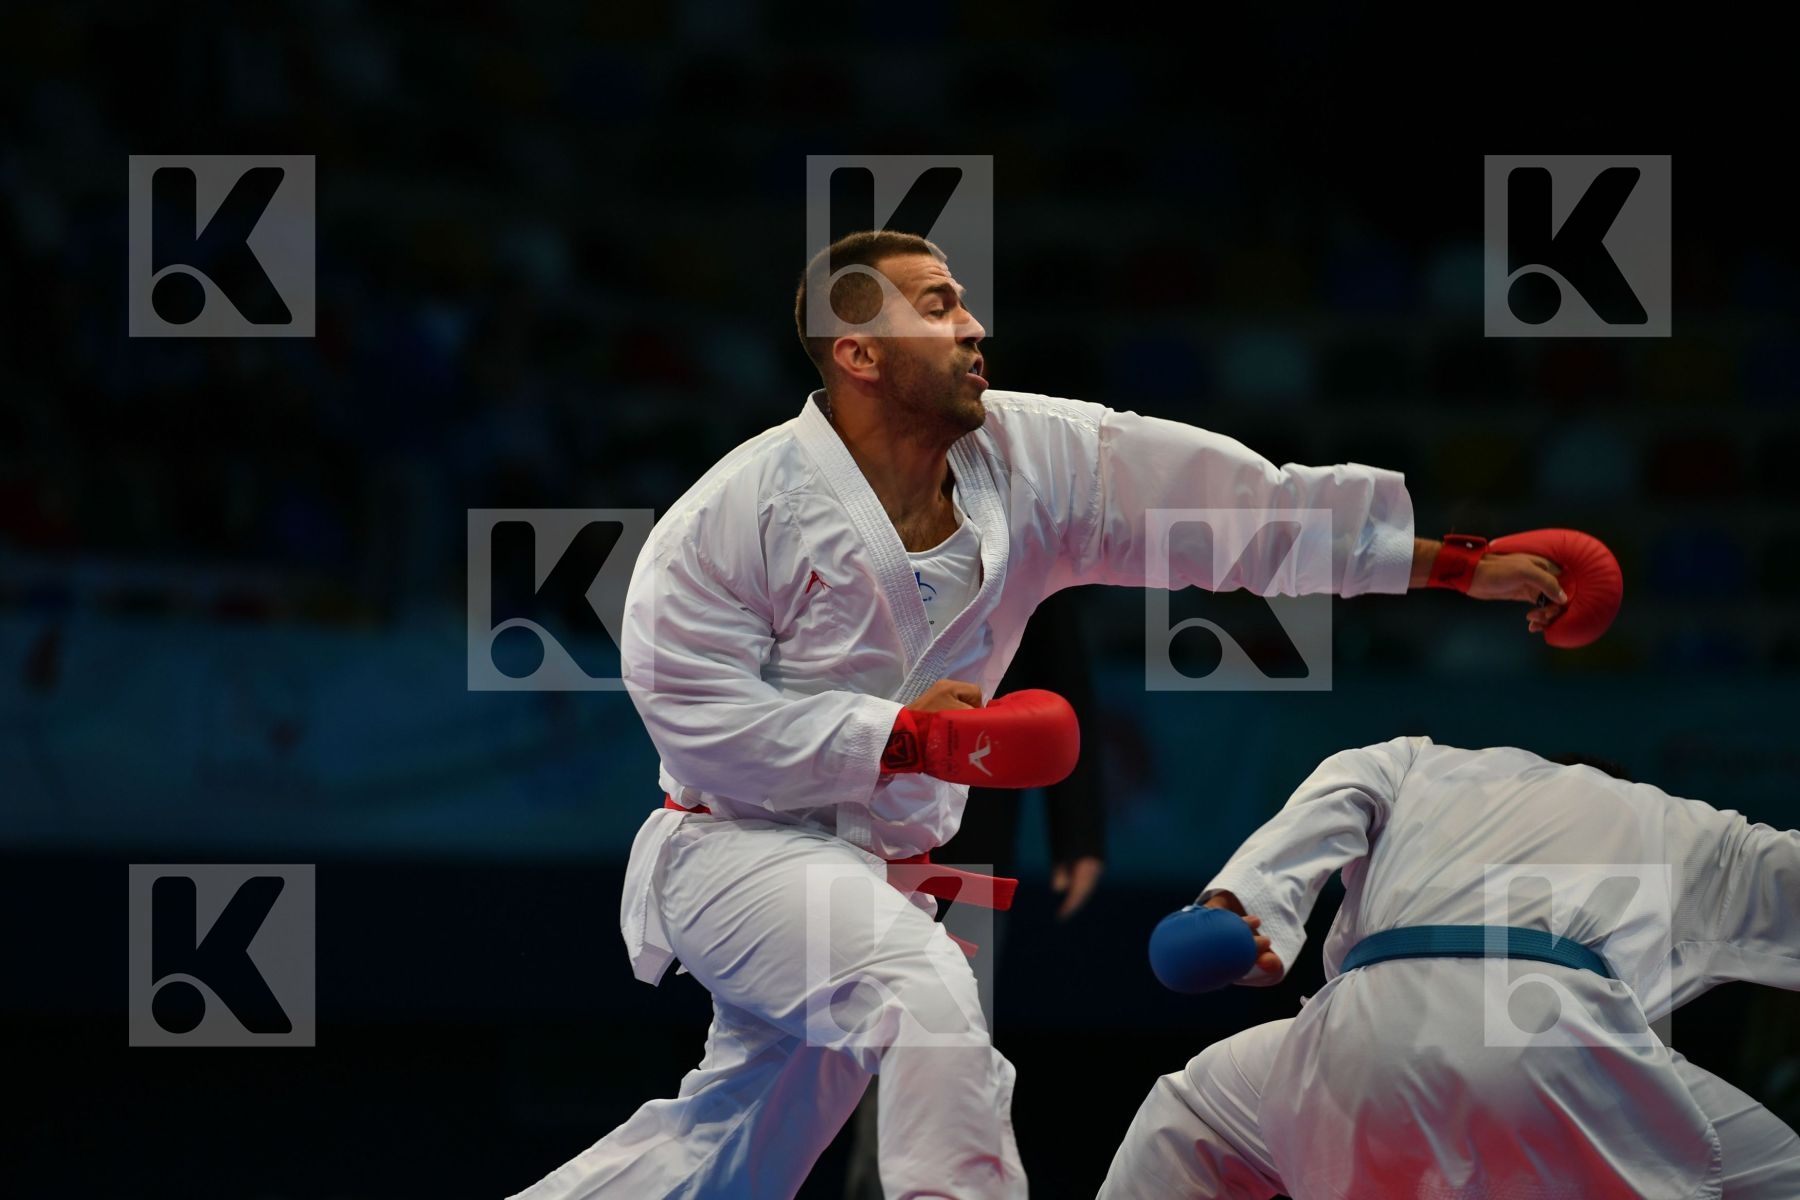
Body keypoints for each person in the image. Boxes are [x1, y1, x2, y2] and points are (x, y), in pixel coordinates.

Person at [508, 230, 1572, 1200]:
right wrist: (903, 737)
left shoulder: (1033, 462)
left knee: (728, 1151)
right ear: (859, 354)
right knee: (923, 990)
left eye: (963, 302)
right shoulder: (736, 511)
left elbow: (1238, 512)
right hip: (736, 848)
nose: (974, 326)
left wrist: (1448, 565)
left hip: (876, 864)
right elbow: (696, 715)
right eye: (937, 307)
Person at [1099, 738, 1800, 1199]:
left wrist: (1233, 902)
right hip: (1553, 1042)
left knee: (1191, 1107)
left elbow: (1328, 801)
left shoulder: (1413, 762)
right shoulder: (1673, 821)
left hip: (1358, 1037)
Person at [840, 586, 1106, 1200]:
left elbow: (1060, 667)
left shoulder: (1016, 538)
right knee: (828, 1052)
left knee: (945, 1038)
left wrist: (1079, 830)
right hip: (845, 822)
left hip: (967, 843)